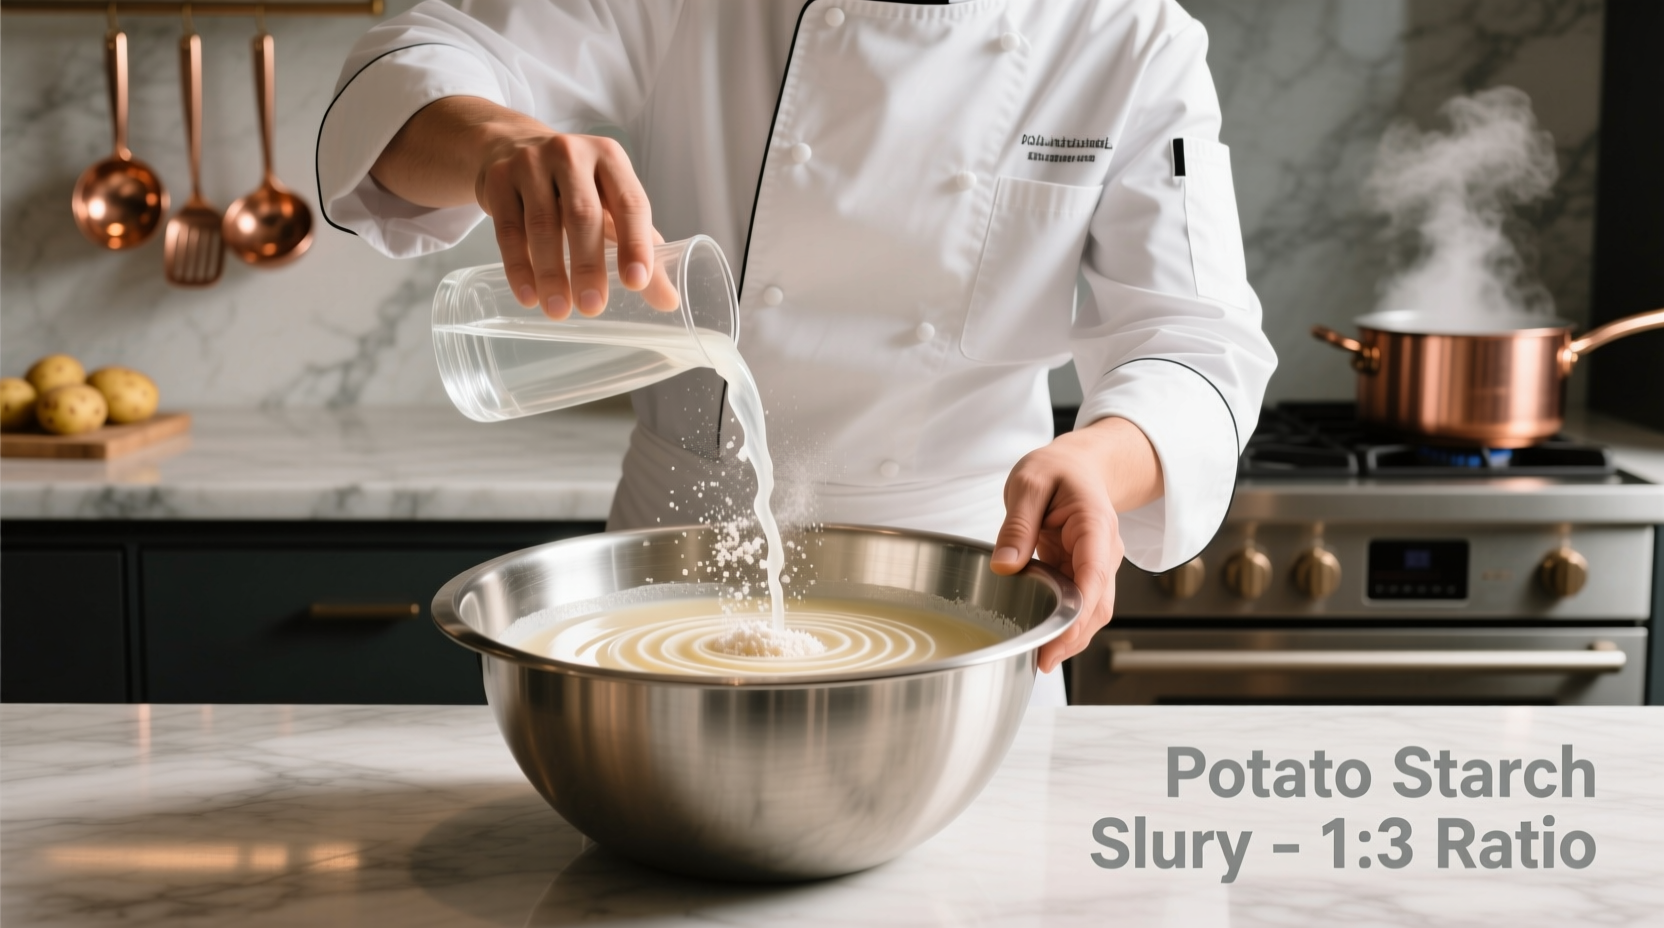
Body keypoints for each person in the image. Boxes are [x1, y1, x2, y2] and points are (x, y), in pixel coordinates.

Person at [317, 0, 1277, 705]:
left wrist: (1101, 461)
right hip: (669, 579)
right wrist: (499, 144)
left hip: (976, 590)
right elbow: (409, 73)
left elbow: (1197, 340)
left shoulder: (1130, 35)